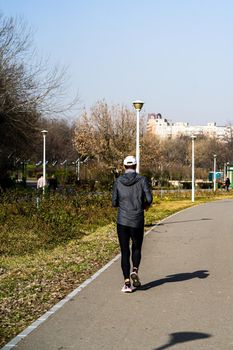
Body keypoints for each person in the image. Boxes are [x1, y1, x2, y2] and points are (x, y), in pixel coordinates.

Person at [112, 156, 153, 293]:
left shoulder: (118, 181)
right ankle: (134, 270)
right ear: (135, 166)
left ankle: (127, 283)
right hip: (137, 219)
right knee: (136, 247)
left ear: (124, 166)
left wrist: (122, 205)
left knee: (124, 251)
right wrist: (145, 206)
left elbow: (114, 202)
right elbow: (149, 198)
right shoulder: (142, 180)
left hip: (122, 220)